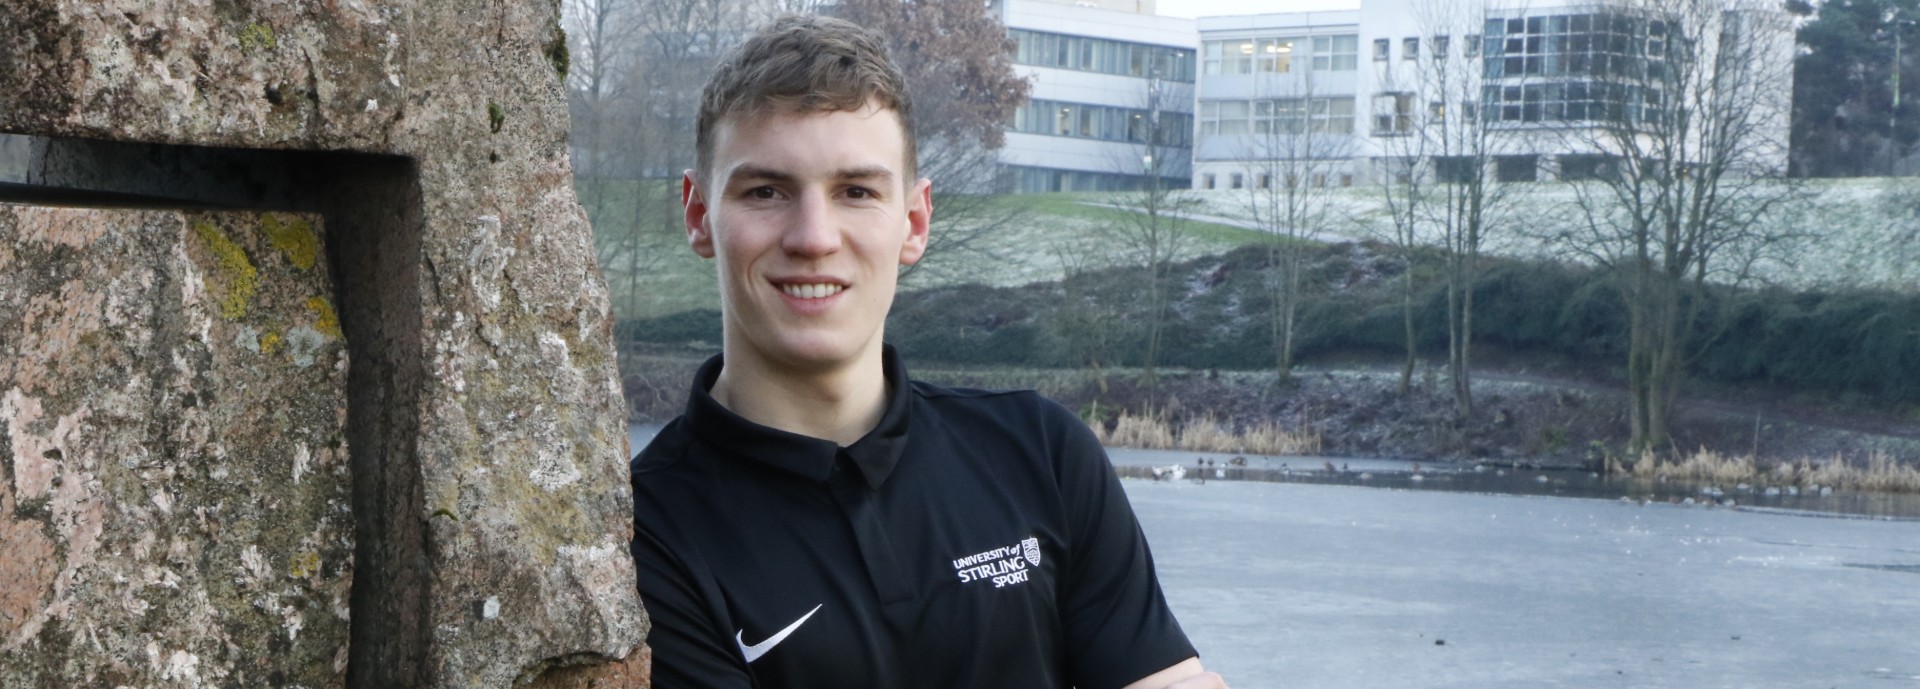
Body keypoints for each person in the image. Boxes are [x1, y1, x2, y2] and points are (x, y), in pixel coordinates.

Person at [629, 14, 1226, 689]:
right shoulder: (646, 537)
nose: (815, 236)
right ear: (699, 213)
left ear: (914, 222)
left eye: (856, 191)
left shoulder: (1041, 453)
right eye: (766, 191)